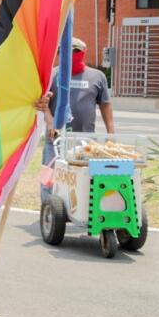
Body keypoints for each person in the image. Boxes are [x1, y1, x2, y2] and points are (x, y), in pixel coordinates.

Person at [41, 36, 115, 198]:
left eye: (74, 52)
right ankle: (48, 208)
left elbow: (105, 104)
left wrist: (111, 132)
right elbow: (44, 103)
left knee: (81, 179)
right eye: (63, 52)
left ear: (82, 53)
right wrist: (50, 121)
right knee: (50, 179)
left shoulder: (97, 76)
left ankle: (76, 208)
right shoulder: (52, 75)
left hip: (85, 141)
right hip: (56, 139)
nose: (69, 55)